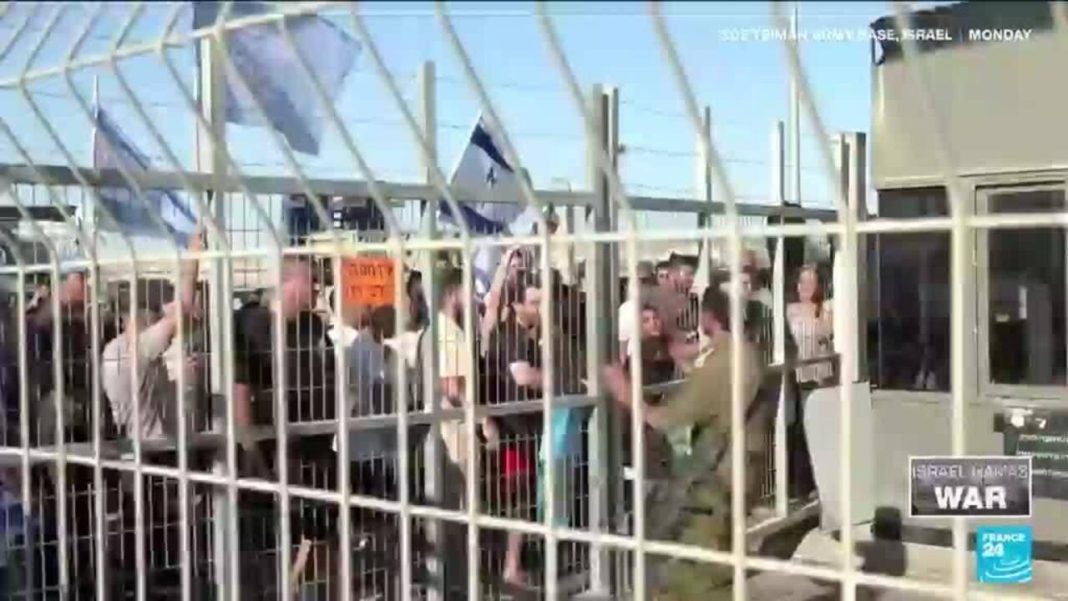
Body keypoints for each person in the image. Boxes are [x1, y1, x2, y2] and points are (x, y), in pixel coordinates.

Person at [603, 287, 767, 600]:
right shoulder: (742, 353)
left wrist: (624, 392)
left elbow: (671, 418)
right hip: (735, 473)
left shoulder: (723, 363)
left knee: (692, 574)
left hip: (716, 482)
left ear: (709, 317)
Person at [482, 271, 547, 588]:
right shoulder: (511, 337)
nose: (540, 308)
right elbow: (522, 376)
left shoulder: (524, 336)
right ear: (518, 304)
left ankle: (512, 563)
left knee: (517, 501)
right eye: (534, 301)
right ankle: (511, 567)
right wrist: (559, 381)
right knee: (518, 501)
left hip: (519, 429)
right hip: (513, 431)